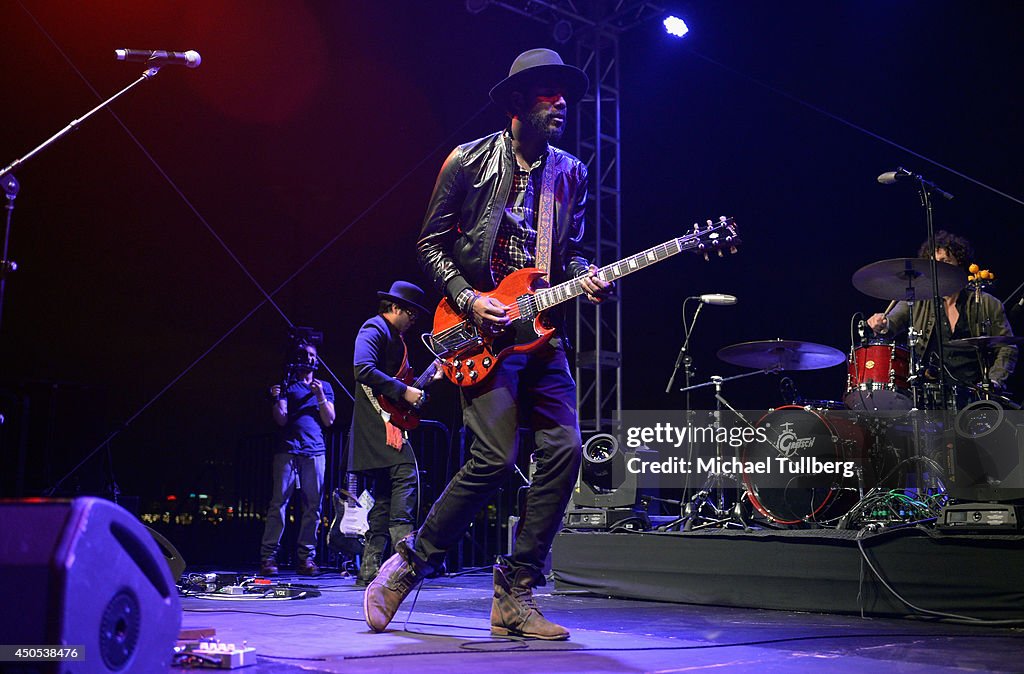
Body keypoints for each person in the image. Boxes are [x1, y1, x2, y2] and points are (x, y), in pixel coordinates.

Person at [364, 48, 612, 640]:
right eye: (548, 94)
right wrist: (469, 298)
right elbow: (430, 244)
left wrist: (588, 274)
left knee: (565, 451)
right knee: (495, 459)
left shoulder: (570, 172)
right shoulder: (467, 161)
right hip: (481, 329)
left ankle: (516, 591)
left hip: (542, 334)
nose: (561, 104)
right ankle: (406, 566)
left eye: (565, 95)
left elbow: (569, 251)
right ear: (518, 102)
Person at [866, 231, 1017, 404]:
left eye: (945, 262)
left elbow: (1007, 347)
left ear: (959, 264)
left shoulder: (987, 303)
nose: (939, 268)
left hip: (975, 395)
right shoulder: (917, 299)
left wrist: (995, 380)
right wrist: (882, 324)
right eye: (934, 263)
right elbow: (891, 323)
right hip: (929, 395)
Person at [349, 281, 434, 586]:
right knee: (406, 477)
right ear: (395, 308)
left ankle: (371, 569)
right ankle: (405, 562)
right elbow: (363, 368)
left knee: (385, 494)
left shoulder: (394, 336)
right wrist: (404, 391)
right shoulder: (374, 328)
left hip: (385, 422)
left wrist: (420, 387)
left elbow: (400, 386)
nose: (414, 320)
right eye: (411, 313)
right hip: (378, 424)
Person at [259, 341, 336, 576]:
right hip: (288, 450)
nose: (309, 358)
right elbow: (281, 419)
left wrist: (320, 394)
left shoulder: (324, 386)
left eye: (313, 354)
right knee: (278, 504)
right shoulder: (287, 385)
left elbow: (329, 419)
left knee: (313, 506)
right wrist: (276, 398)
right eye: (305, 354)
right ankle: (269, 557)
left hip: (315, 451)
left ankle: (306, 558)